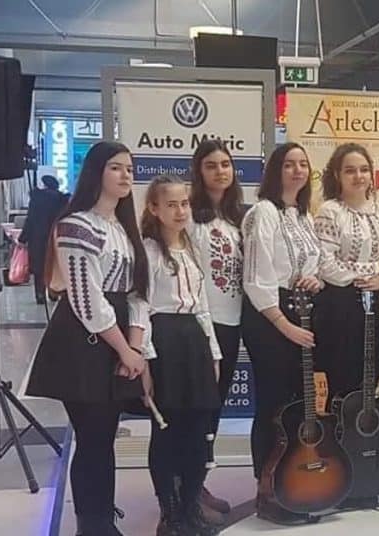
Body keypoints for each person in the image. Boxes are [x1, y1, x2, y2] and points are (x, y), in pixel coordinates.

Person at [25, 141, 150, 536]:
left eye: (129, 168)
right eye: (116, 167)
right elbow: (86, 299)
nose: (126, 175)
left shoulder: (123, 228)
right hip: (84, 341)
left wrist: (135, 345)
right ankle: (93, 525)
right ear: (96, 172)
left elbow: (137, 293)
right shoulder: (76, 225)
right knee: (93, 436)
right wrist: (124, 348)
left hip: (115, 337)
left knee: (104, 436)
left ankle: (100, 518)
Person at [240, 142, 324, 524]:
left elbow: (312, 262)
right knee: (273, 406)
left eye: (303, 164)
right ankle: (267, 489)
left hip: (299, 312)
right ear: (275, 171)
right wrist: (284, 325)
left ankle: (294, 482)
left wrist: (315, 278)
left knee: (295, 404)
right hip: (269, 318)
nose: (297, 170)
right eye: (289, 164)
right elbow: (256, 279)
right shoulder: (263, 212)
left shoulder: (302, 214)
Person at [139, 175, 223, 536]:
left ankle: (191, 506)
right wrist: (145, 358)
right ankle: (170, 512)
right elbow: (140, 306)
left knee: (198, 429)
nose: (180, 211)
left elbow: (202, 306)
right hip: (165, 340)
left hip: (194, 341)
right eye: (171, 204)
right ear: (154, 208)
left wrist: (214, 353)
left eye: (184, 203)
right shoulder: (148, 251)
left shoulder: (191, 248)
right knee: (167, 430)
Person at [188, 139, 246, 520]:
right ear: (199, 171)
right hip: (200, 327)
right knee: (195, 412)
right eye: (211, 165)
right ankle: (184, 493)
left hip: (232, 323)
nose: (220, 171)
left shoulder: (237, 217)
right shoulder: (191, 217)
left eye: (225, 164)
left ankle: (198, 483)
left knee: (213, 412)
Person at [312, 143, 379, 397]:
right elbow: (327, 266)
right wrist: (375, 269)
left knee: (370, 385)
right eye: (350, 170)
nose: (358, 176)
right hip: (341, 309)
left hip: (378, 308)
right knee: (342, 388)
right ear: (337, 175)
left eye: (364, 169)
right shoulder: (330, 211)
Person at [19, 174, 68, 303]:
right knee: (53, 264)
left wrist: (23, 238)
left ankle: (40, 294)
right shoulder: (61, 199)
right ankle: (53, 292)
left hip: (38, 237)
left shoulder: (37, 198)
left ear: (44, 184)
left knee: (39, 267)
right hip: (55, 236)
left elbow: (30, 219)